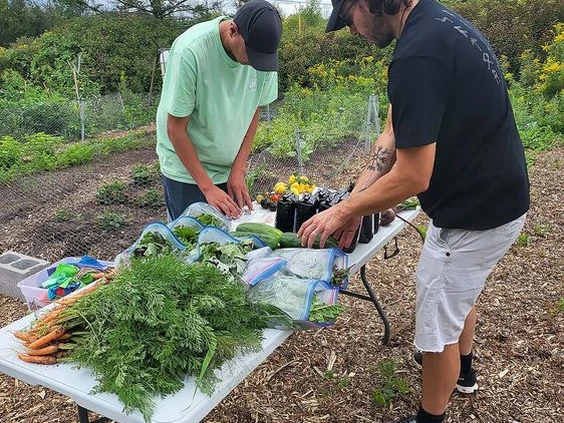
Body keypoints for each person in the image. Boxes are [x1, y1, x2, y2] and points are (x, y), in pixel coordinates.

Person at [297, 1, 530, 422]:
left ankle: (431, 415)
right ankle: (463, 373)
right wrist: (356, 199)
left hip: (476, 212)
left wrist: (339, 212)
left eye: (349, 17)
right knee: (454, 296)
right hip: (493, 197)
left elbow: (414, 176)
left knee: (437, 317)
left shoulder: (415, 56)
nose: (352, 30)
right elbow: (392, 134)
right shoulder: (436, 24)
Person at [156, 0, 282, 220]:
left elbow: (254, 112)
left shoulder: (262, 58)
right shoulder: (191, 51)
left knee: (229, 241)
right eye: (251, 54)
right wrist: (207, 187)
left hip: (227, 168)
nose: (256, 63)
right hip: (187, 174)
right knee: (191, 246)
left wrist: (238, 169)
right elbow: (175, 128)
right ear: (233, 31)